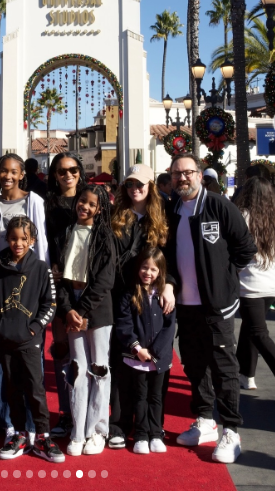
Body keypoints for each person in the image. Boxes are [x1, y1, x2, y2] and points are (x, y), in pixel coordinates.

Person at [165, 153, 256, 464]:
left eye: (188, 172)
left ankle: (231, 429)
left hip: (217, 305)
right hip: (185, 304)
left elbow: (245, 248)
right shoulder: (173, 209)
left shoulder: (218, 205)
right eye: (177, 174)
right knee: (193, 363)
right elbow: (167, 253)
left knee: (223, 367)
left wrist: (225, 280)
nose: (182, 178)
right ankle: (205, 420)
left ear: (199, 175)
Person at [0, 216, 64, 463]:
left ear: (32, 240)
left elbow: (50, 303)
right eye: (13, 238)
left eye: (23, 239)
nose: (18, 243)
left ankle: (42, 436)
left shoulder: (41, 268)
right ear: (7, 239)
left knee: (36, 388)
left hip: (30, 340)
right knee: (12, 387)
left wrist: (35, 327)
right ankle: (19, 434)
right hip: (5, 339)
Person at [0, 153, 49, 437]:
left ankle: (33, 425)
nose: (8, 176)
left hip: (29, 289)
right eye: (3, 171)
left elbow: (41, 243)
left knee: (31, 366)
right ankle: (4, 424)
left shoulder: (34, 202)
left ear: (22, 174)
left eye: (13, 172)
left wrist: (40, 281)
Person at [109, 163, 173, 449]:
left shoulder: (161, 219)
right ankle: (120, 425)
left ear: (151, 188)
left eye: (140, 185)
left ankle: (151, 428)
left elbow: (168, 260)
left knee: (154, 367)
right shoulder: (117, 217)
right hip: (122, 296)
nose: (135, 190)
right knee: (122, 363)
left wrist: (169, 284)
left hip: (151, 299)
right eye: (130, 185)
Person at [56, 185, 116, 457]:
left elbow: (105, 280)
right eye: (82, 201)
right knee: (77, 371)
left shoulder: (105, 237)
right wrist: (68, 310)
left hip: (97, 309)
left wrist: (82, 310)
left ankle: (96, 430)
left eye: (92, 204)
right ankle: (77, 431)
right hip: (73, 309)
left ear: (100, 209)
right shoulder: (67, 233)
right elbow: (61, 277)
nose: (85, 207)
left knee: (99, 368)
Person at [233, 177, 275, 403]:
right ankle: (246, 374)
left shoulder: (243, 217)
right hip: (272, 283)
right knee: (252, 328)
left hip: (249, 284)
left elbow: (235, 249)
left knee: (258, 332)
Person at [116, 247, 176, 455]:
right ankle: (141, 434)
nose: (148, 273)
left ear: (160, 272)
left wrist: (156, 352)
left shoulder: (165, 297)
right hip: (138, 357)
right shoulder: (129, 295)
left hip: (159, 359)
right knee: (140, 396)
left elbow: (169, 327)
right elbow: (124, 325)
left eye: (153, 269)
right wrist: (138, 349)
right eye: (144, 267)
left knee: (157, 397)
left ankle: (156, 433)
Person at [45, 152, 86, 439]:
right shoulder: (46, 205)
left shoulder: (93, 200)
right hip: (59, 288)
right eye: (61, 171)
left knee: (88, 354)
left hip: (87, 287)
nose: (67, 175)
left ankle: (89, 415)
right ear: (55, 175)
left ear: (80, 172)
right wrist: (50, 269)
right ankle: (66, 413)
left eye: (72, 169)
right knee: (62, 352)